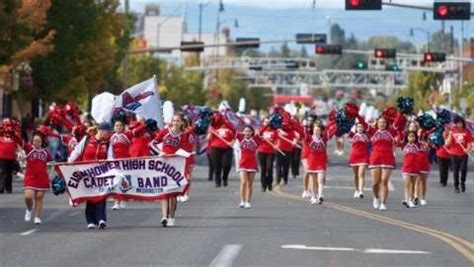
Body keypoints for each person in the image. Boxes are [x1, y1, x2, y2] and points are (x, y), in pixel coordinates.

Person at [68, 122, 112, 229]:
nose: (109, 134)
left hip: (101, 172)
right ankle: (91, 221)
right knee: (91, 196)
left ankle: (101, 219)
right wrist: (69, 162)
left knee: (102, 194)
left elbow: (111, 158)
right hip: (87, 173)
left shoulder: (108, 143)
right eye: (108, 131)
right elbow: (77, 151)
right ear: (101, 130)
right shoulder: (87, 139)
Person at [154, 113, 192, 227]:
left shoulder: (183, 136)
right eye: (174, 121)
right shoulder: (165, 132)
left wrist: (180, 154)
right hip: (164, 164)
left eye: (177, 121)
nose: (175, 123)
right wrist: (160, 152)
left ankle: (171, 217)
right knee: (165, 191)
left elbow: (186, 151)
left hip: (176, 167)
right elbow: (153, 143)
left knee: (173, 193)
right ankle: (164, 216)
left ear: (182, 123)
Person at [361, 113, 404, 211]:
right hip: (375, 158)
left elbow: (397, 121)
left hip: (387, 158)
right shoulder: (373, 131)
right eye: (380, 122)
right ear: (377, 123)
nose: (382, 124)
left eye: (384, 122)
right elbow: (363, 123)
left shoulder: (391, 131)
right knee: (375, 183)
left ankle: (383, 203)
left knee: (384, 181)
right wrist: (356, 115)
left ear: (387, 123)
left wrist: (400, 112)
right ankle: (376, 197)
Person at [23, 133, 52, 224]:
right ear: (32, 141)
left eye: (38, 141)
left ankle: (37, 217)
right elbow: (20, 142)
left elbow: (51, 164)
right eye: (35, 141)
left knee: (39, 197)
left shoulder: (46, 152)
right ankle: (29, 209)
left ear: (41, 142)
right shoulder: (29, 149)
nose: (36, 142)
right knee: (28, 196)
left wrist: (50, 174)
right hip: (30, 177)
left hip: (42, 178)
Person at [304, 122, 334, 205]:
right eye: (315, 130)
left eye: (318, 130)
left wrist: (335, 122)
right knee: (314, 181)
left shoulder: (324, 139)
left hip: (321, 162)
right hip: (312, 162)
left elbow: (331, 131)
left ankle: (320, 195)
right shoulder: (309, 138)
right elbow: (302, 131)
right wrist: (304, 125)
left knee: (320, 180)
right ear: (313, 130)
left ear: (321, 131)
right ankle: (314, 196)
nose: (317, 132)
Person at [108, 118, 131, 210]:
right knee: (116, 181)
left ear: (123, 127)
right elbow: (110, 150)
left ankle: (124, 199)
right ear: (114, 127)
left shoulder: (126, 136)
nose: (118, 127)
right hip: (115, 162)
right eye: (116, 125)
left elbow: (131, 147)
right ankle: (116, 201)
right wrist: (110, 160)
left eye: (120, 125)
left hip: (125, 162)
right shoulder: (112, 137)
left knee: (124, 181)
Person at [207, 114, 235, 187]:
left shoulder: (230, 127)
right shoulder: (213, 127)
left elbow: (234, 137)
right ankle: (217, 181)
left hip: (227, 148)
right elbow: (208, 138)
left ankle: (225, 178)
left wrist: (232, 142)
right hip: (216, 148)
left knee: (227, 165)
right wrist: (210, 132)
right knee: (217, 166)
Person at [446, 116, 472, 193]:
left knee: (463, 169)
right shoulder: (452, 131)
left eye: (460, 123)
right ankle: (456, 186)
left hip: (463, 154)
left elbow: (470, 143)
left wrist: (468, 149)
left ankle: (462, 182)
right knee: (455, 170)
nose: (459, 124)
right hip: (454, 154)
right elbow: (447, 143)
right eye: (458, 123)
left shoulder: (466, 132)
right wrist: (450, 135)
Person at [236, 126, 260, 209]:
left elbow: (263, 130)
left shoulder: (256, 139)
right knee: (243, 182)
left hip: (252, 164)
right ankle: (242, 201)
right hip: (242, 163)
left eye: (249, 131)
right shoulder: (240, 138)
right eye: (245, 131)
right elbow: (232, 129)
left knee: (250, 184)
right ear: (243, 132)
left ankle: (248, 201)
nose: (247, 133)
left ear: (252, 132)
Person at [348, 122, 370, 199]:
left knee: (361, 173)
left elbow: (370, 146)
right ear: (356, 128)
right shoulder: (353, 136)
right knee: (355, 175)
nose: (360, 128)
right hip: (354, 156)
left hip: (363, 157)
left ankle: (361, 191)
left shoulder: (366, 136)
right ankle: (356, 190)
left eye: (361, 127)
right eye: (358, 127)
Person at [0, 119, 22, 194]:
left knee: (9, 173)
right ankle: (1, 188)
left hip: (11, 158)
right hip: (2, 158)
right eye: (6, 132)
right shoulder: (1, 137)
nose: (7, 133)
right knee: (2, 173)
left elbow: (20, 143)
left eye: (9, 132)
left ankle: (8, 188)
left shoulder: (14, 138)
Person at [257, 119, 278, 192]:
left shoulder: (274, 131)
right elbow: (258, 134)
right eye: (266, 122)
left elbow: (277, 140)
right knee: (263, 169)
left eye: (268, 122)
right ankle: (263, 185)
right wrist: (265, 126)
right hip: (261, 151)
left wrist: (276, 145)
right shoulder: (261, 130)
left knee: (269, 168)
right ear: (263, 123)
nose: (267, 123)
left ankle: (269, 184)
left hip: (271, 152)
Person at [401, 131, 419, 208]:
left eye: (413, 137)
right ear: (407, 137)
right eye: (410, 136)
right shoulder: (404, 145)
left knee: (413, 185)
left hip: (415, 167)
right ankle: (407, 200)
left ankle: (410, 199)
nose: (411, 138)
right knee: (407, 185)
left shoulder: (417, 146)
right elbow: (399, 135)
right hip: (406, 168)